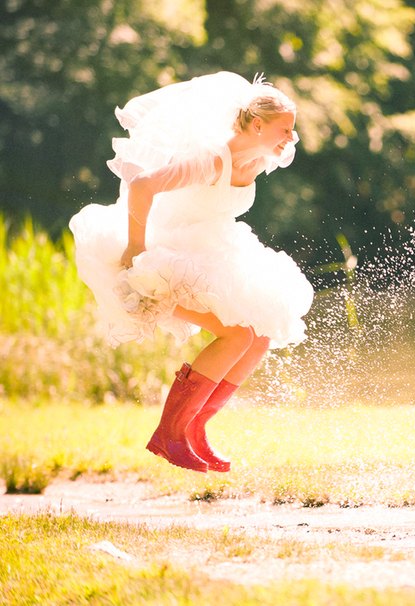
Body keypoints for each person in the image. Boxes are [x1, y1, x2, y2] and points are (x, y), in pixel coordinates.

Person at [70, 72, 314, 473]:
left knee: (261, 333)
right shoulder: (211, 159)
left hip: (214, 247)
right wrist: (136, 249)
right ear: (256, 124)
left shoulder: (258, 158)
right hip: (167, 254)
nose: (291, 137)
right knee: (236, 333)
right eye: (284, 128)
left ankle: (195, 429)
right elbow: (143, 186)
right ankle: (170, 433)